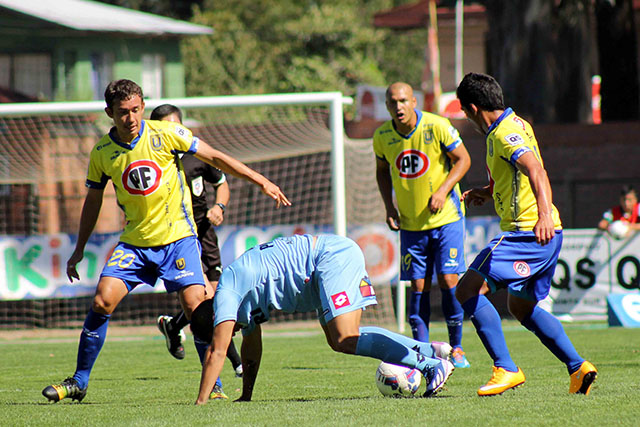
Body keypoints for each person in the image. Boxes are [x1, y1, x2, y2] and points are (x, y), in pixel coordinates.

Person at [42, 79, 290, 403]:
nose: (130, 118)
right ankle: (79, 380)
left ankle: (213, 387)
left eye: (135, 110)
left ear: (143, 107)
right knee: (102, 300)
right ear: (109, 113)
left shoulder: (166, 134)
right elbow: (93, 201)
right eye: (122, 113)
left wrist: (261, 181)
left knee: (197, 309)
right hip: (135, 242)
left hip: (179, 240)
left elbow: (215, 156)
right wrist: (78, 249)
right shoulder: (102, 152)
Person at [455, 72, 597, 396]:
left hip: (528, 233)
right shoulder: (512, 124)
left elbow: (536, 170)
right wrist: (488, 191)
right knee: (521, 308)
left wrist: (544, 215)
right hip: (547, 234)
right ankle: (578, 367)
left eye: (464, 111)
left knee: (467, 290)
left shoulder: (504, 133)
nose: (466, 117)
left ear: (473, 108)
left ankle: (505, 367)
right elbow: (516, 175)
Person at [190, 234, 455, 405]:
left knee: (345, 336)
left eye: (226, 329)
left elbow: (217, 351)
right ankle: (427, 350)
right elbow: (252, 349)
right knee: (338, 339)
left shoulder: (226, 292)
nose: (232, 332)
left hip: (328, 258)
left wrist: (201, 403)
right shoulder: (239, 301)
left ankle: (431, 366)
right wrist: (246, 396)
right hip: (317, 272)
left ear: (215, 317)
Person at [373, 82, 472, 368]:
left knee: (448, 279)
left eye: (403, 100)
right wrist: (388, 206)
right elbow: (382, 172)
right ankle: (422, 352)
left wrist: (442, 191)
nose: (398, 106)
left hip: (447, 218)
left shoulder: (437, 126)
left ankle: (457, 348)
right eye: (393, 102)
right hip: (411, 223)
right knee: (418, 285)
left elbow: (463, 160)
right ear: (387, 105)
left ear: (414, 101)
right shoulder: (382, 137)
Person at [149, 105, 242, 399]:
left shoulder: (197, 156)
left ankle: (173, 325)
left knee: (213, 302)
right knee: (202, 302)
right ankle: (227, 373)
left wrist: (219, 207)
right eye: (164, 127)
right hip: (175, 238)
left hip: (204, 234)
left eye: (176, 126)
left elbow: (222, 186)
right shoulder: (152, 160)